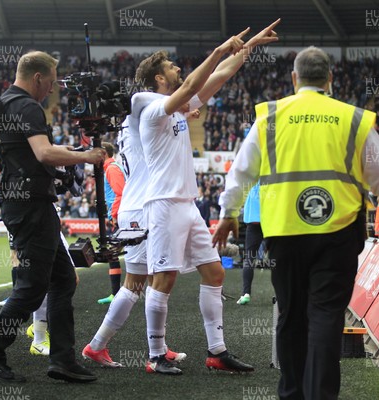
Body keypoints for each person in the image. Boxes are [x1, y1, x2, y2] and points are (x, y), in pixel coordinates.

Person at [213, 46, 379, 399]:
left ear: (294, 78)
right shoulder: (352, 118)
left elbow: (241, 170)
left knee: (290, 315)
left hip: (285, 232)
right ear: (330, 79)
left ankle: (291, 393)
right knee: (326, 316)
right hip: (339, 233)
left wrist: (229, 214)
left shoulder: (270, 116)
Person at [136, 19, 281, 375]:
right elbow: (190, 84)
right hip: (164, 204)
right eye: (170, 66)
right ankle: (156, 355)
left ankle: (217, 352)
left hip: (187, 204)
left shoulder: (178, 106)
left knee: (215, 272)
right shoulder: (151, 107)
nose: (177, 68)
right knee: (164, 279)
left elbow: (218, 77)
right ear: (158, 78)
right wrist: (219, 49)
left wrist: (248, 48)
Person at [0, 51, 105, 384]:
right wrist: (85, 155)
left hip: (23, 201)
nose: (52, 90)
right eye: (52, 83)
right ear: (38, 78)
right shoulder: (28, 106)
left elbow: (15, 155)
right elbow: (43, 152)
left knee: (62, 279)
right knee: (31, 289)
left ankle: (62, 360)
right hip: (31, 204)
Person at [82, 120, 186, 368]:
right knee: (155, 279)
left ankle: (151, 347)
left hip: (136, 209)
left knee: (141, 282)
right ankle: (149, 352)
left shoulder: (128, 130)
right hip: (143, 210)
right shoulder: (146, 119)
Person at [96, 142, 127, 305]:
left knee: (115, 253)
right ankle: (117, 293)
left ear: (103, 153)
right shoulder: (113, 167)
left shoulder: (111, 169)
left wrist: (114, 214)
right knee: (114, 254)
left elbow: (120, 193)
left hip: (119, 216)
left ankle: (119, 294)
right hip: (120, 215)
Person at [237, 182, 263, 305]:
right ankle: (281, 295)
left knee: (249, 258)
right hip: (270, 220)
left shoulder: (250, 179)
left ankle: (245, 293)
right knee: (277, 256)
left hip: (253, 222)